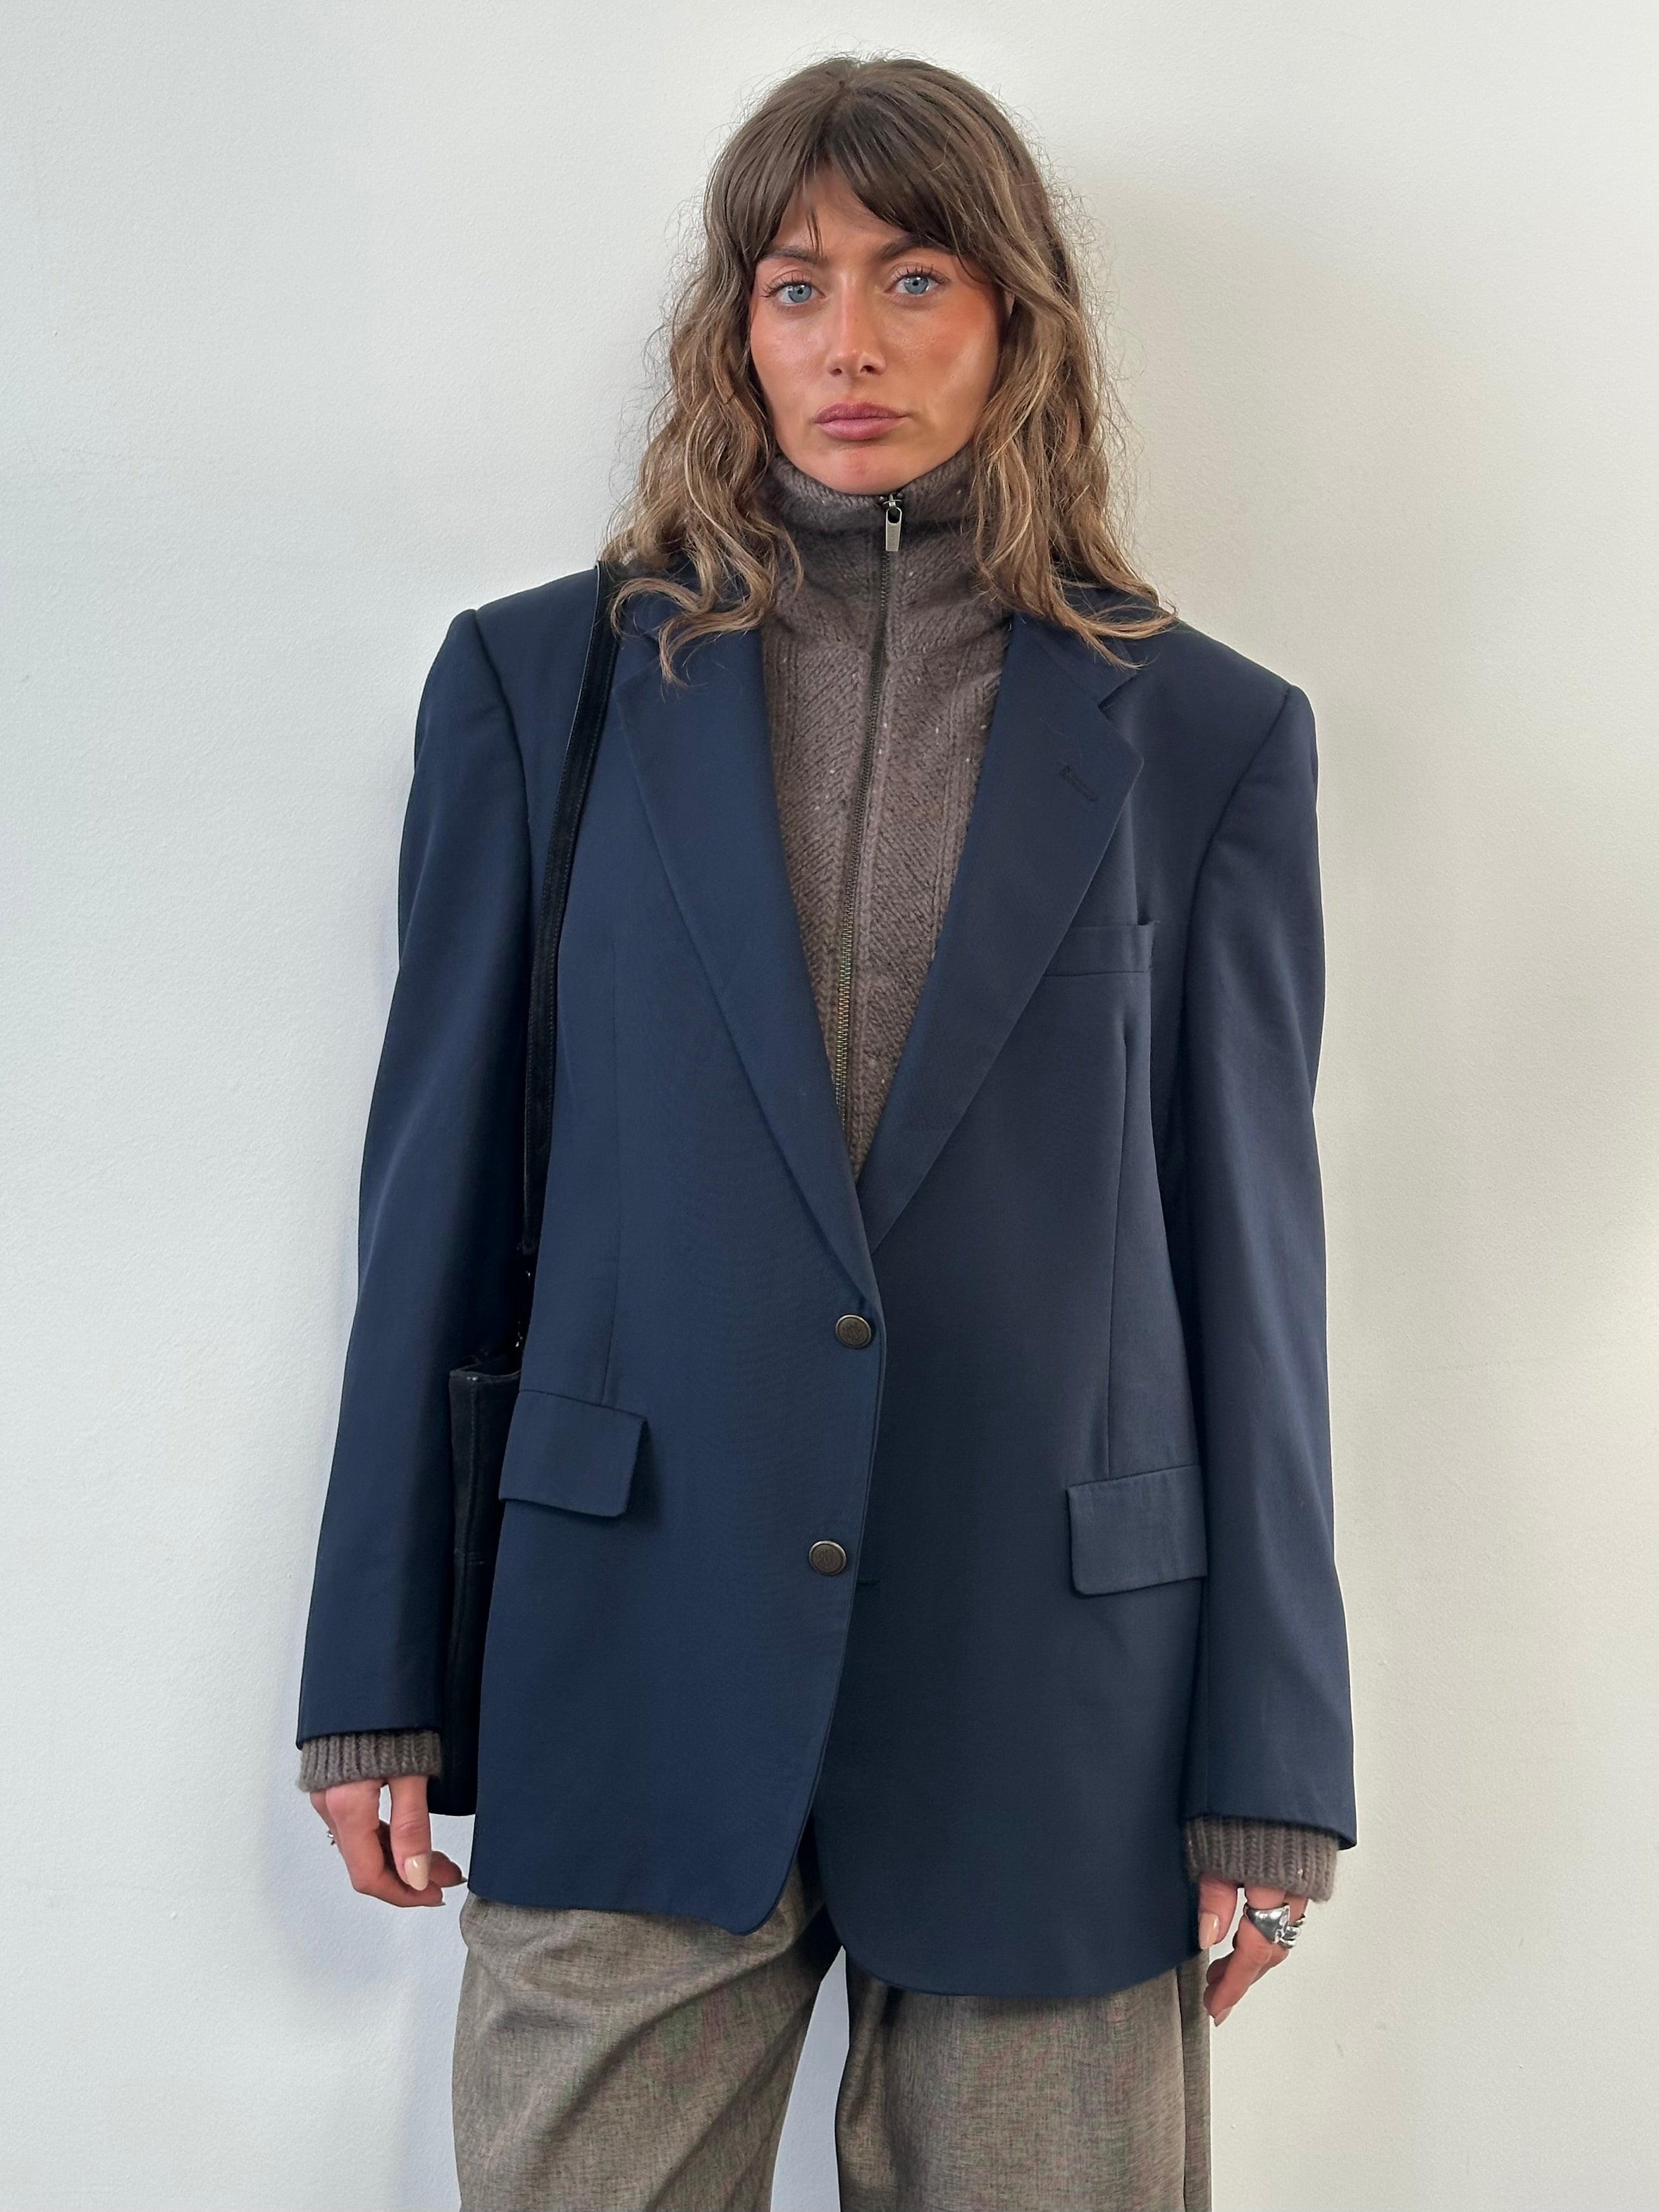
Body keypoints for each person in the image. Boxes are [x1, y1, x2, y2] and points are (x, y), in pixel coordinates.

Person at [295, 54, 1355, 2212]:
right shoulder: (540, 690)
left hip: (1052, 1698)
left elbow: (1250, 1263)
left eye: (912, 278)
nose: (847, 341)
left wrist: (1273, 1763)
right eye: (795, 285)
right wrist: (372, 1678)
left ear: (1015, 320)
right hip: (629, 1648)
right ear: (736, 326)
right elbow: (431, 1208)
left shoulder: (1206, 736)